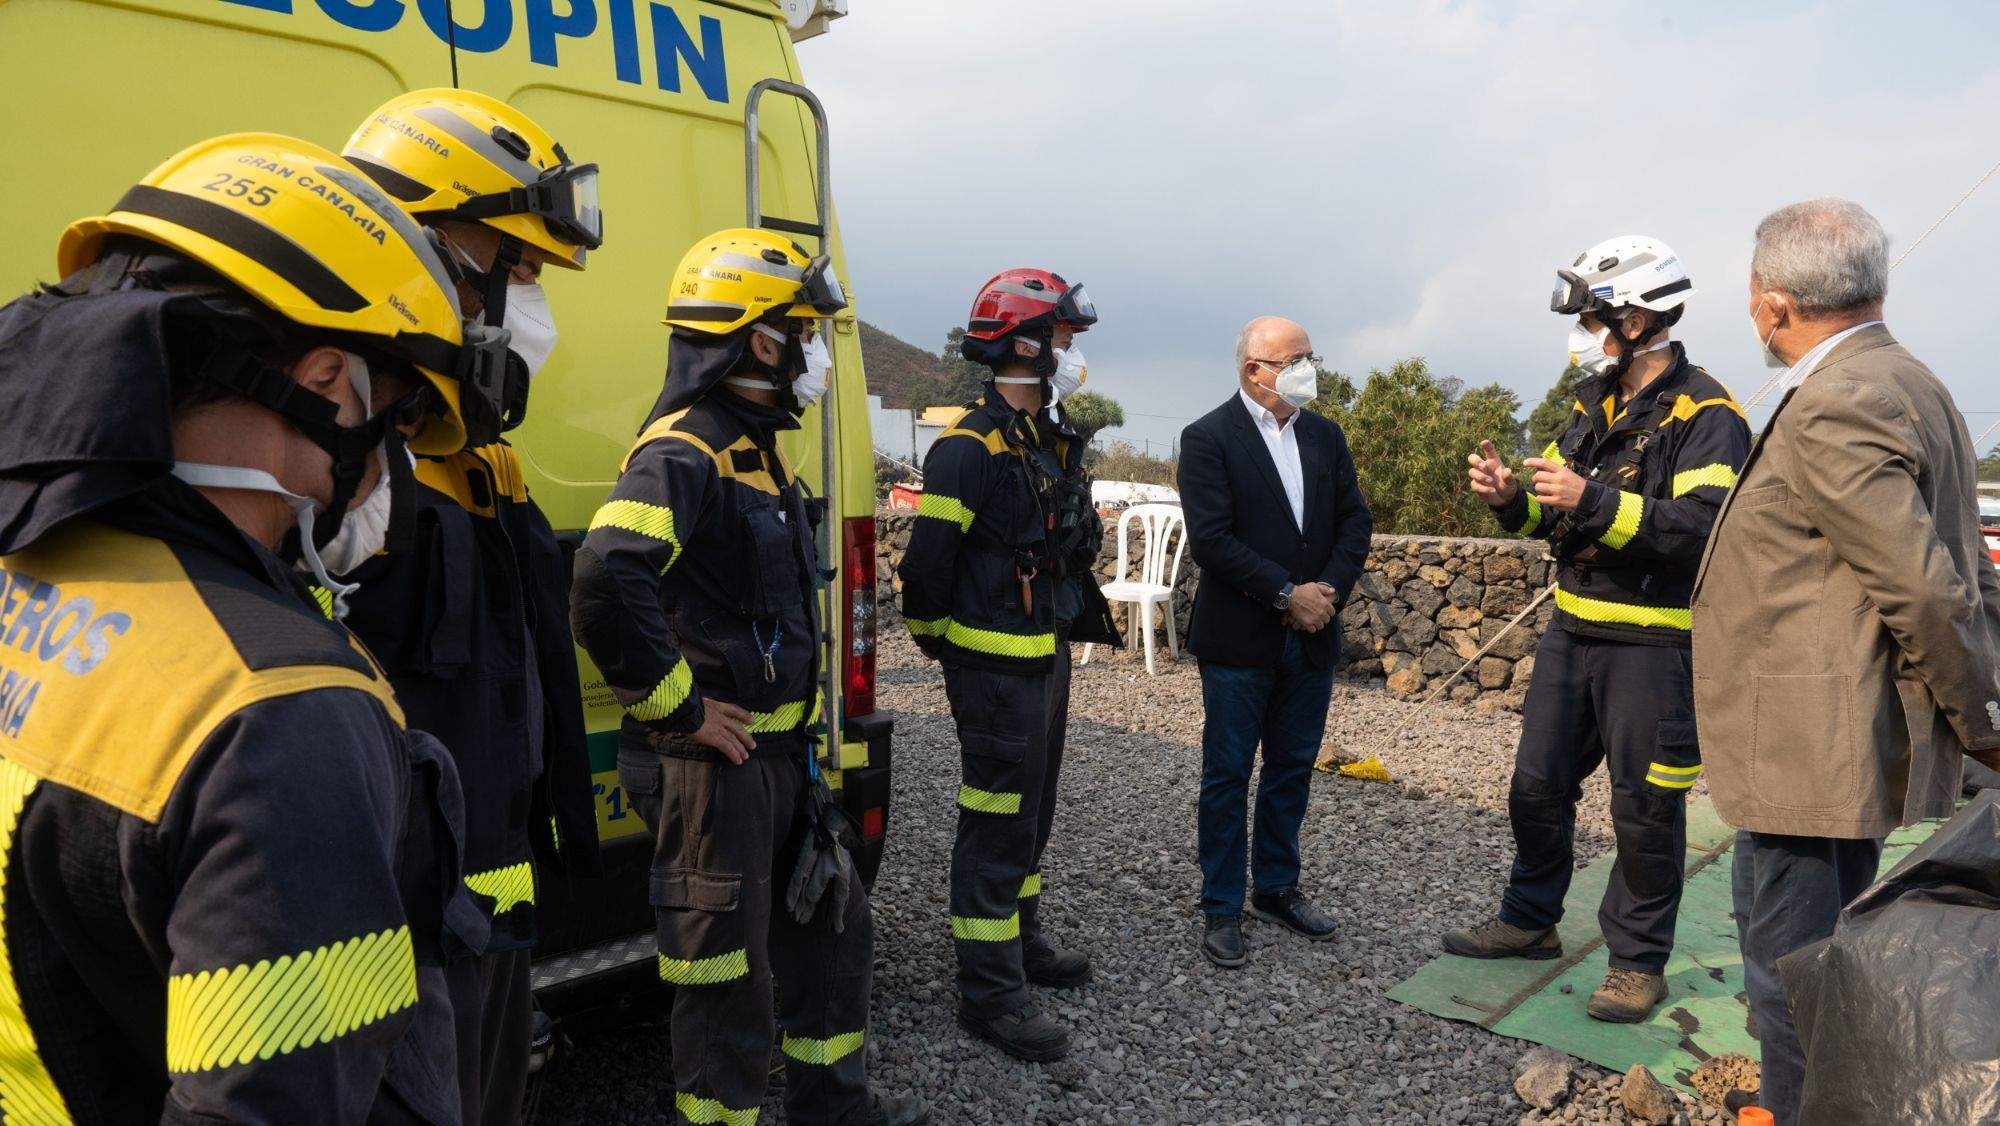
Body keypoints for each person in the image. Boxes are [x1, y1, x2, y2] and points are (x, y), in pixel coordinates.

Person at [0, 132, 503, 1122]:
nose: (386, 465)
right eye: (395, 423)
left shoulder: (28, 568)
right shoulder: (275, 705)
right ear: (323, 382)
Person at [570, 228, 926, 1125]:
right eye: (803, 332)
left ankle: (831, 1114)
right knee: (727, 986)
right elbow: (607, 577)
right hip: (712, 776)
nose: (813, 353)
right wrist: (681, 708)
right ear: (759, 339)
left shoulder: (754, 446)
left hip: (780, 766)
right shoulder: (683, 451)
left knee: (832, 943)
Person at [1693, 198, 2000, 1126]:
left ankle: (1803, 1109)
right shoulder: (1907, 378)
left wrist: (1984, 726)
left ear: (1773, 304)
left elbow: (1921, 585)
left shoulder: (1840, 398)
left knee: (1792, 967)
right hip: (1818, 739)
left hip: (1811, 745)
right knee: (1804, 947)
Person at [338, 88, 603, 1125]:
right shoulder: (338, 484)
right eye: (519, 265)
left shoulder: (485, 461)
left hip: (496, 898)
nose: (529, 303)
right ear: (425, 245)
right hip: (397, 931)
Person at [1443, 238, 1749, 1023]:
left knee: (1644, 808)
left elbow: (1701, 530)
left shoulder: (1709, 414)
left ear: (1639, 316)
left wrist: (1592, 502)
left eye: (1594, 314)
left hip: (1654, 647)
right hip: (1572, 632)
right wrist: (1509, 498)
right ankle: (1528, 920)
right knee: (1535, 787)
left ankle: (1637, 963)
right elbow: (1553, 506)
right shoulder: (1591, 399)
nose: (1584, 329)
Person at [897, 269, 1118, 1062]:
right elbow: (925, 573)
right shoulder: (969, 448)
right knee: (994, 826)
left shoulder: (1041, 440)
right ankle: (989, 994)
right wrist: (946, 646)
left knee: (1031, 817)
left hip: (1043, 661)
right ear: (1026, 343)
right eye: (1062, 336)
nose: (1071, 351)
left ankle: (1022, 944)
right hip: (994, 673)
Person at [1176, 316, 1372, 969]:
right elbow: (1213, 540)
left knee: (1291, 769)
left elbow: (1354, 522)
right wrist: (1289, 594)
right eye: (1294, 359)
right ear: (1254, 369)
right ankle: (1222, 905)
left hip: (1312, 636)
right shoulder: (1207, 439)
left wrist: (1327, 594)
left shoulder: (1324, 436)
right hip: (1241, 637)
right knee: (1228, 775)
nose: (1307, 368)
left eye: (1310, 356)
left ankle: (1278, 888)